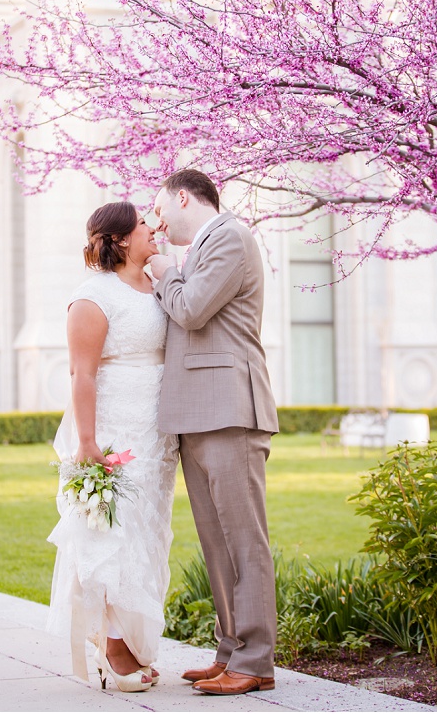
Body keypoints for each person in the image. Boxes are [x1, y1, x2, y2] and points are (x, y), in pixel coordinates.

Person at [148, 168, 279, 696]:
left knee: (244, 540)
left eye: (160, 209)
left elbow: (193, 309)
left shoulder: (229, 235)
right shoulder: (199, 249)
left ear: (185, 197)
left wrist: (162, 271)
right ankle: (230, 653)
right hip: (196, 414)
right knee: (216, 542)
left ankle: (256, 660)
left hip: (230, 410)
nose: (157, 221)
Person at [46, 201, 178, 692]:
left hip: (156, 432)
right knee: (114, 533)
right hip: (113, 428)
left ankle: (132, 637)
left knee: (149, 532)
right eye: (144, 224)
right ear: (121, 239)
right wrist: (86, 442)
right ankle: (113, 645)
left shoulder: (156, 283)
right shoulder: (92, 296)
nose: (153, 230)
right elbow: (83, 373)